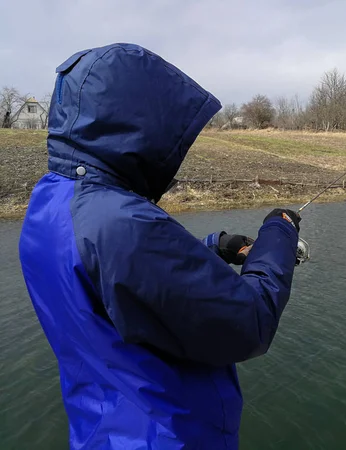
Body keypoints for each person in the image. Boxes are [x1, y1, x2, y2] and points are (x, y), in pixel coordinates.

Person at [19, 43, 302, 449]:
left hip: (102, 431)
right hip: (166, 437)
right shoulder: (117, 223)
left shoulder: (52, 200)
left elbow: (119, 278)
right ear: (135, 124)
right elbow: (250, 321)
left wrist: (214, 247)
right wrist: (279, 231)